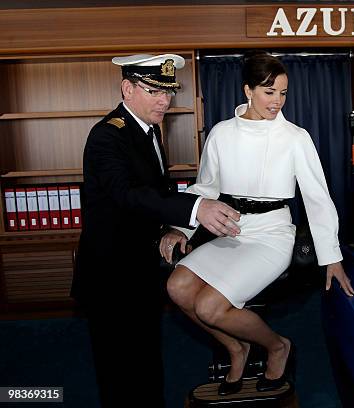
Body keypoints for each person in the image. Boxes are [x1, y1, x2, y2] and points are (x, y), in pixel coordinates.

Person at [159, 51, 354, 396]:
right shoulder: (221, 133)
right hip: (231, 231)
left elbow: (317, 199)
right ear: (247, 90)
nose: (277, 101)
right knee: (177, 288)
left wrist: (332, 257)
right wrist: (181, 228)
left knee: (209, 306)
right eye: (269, 92)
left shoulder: (296, 137)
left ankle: (277, 346)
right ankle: (238, 348)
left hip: (273, 235)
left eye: (283, 93)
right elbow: (205, 189)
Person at [72, 53, 240, 407]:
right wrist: (196, 208)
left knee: (146, 357)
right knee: (119, 369)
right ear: (127, 88)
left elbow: (157, 194)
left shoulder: (146, 130)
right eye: (153, 91)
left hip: (142, 270)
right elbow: (127, 193)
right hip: (111, 276)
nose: (164, 100)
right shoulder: (108, 135)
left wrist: (172, 228)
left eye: (169, 92)